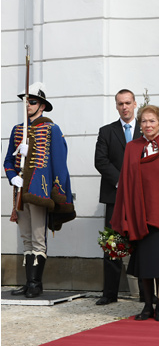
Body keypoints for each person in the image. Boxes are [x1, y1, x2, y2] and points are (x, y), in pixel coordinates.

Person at [110, 105, 159, 322]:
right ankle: (147, 305)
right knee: (143, 263)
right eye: (144, 121)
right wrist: (123, 215)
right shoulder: (132, 148)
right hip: (138, 215)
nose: (147, 125)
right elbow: (125, 182)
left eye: (152, 121)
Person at [4, 82, 75, 298]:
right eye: (26, 101)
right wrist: (12, 177)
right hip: (20, 191)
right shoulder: (17, 129)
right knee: (25, 237)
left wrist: (57, 192)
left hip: (40, 192)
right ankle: (28, 283)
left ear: (42, 106)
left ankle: (36, 284)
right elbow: (8, 160)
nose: (28, 105)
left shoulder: (52, 129)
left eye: (32, 101)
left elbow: (60, 163)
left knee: (37, 238)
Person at [94, 89, 142, 306]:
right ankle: (110, 293)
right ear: (116, 106)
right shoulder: (106, 131)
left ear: (135, 104)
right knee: (112, 245)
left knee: (142, 244)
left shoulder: (147, 128)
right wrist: (121, 182)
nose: (125, 107)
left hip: (142, 198)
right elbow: (101, 161)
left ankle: (146, 293)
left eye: (128, 103)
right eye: (121, 103)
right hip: (115, 196)